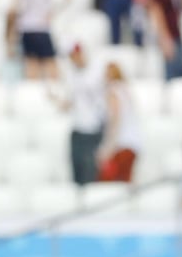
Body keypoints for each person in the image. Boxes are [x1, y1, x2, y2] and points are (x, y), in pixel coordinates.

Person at [55, 43, 106, 185]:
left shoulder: (96, 72)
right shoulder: (71, 75)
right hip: (78, 127)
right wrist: (56, 100)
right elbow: (70, 102)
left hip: (93, 128)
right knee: (76, 169)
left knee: (90, 171)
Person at [96, 61, 142, 183]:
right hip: (133, 144)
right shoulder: (126, 91)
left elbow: (116, 120)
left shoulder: (113, 91)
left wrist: (108, 148)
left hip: (121, 144)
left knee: (109, 183)